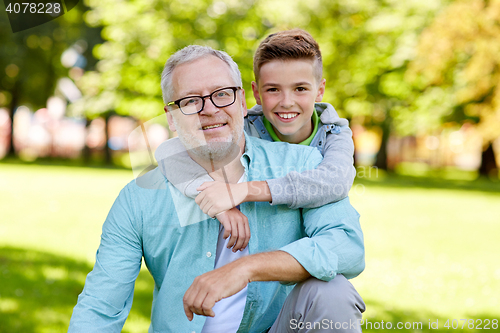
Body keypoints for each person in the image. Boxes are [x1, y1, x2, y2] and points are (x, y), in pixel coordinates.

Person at [68, 45, 365, 333]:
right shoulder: (139, 198)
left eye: (222, 94)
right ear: (171, 117)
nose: (209, 110)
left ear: (244, 102)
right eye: (190, 101)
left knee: (333, 292)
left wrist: (245, 269)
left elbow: (346, 248)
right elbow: (101, 306)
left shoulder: (303, 164)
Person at [159, 29, 355, 252]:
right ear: (256, 94)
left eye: (300, 89)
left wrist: (243, 191)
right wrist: (219, 205)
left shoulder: (334, 133)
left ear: (319, 91)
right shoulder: (243, 124)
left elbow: (336, 181)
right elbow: (169, 152)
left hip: (312, 236)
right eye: (273, 90)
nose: (287, 102)